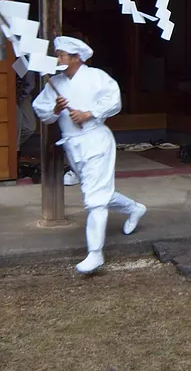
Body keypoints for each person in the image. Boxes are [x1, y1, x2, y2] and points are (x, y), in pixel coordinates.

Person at [32, 37, 147, 275]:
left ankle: (95, 252)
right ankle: (134, 208)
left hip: (96, 140)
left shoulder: (96, 77)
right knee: (96, 191)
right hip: (73, 145)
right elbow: (42, 110)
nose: (58, 59)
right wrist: (55, 108)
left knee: (95, 198)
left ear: (76, 58)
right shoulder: (55, 82)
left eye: (62, 54)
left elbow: (113, 100)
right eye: (57, 54)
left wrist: (90, 113)